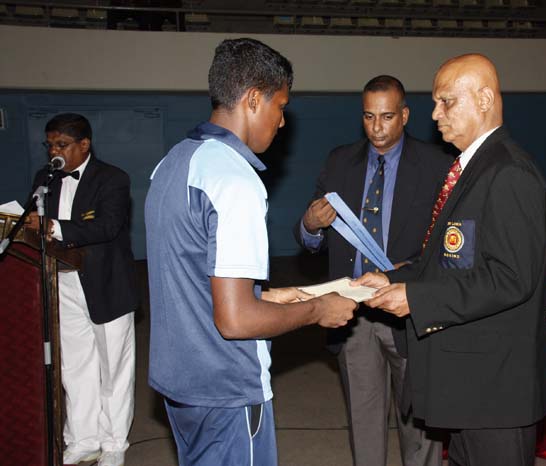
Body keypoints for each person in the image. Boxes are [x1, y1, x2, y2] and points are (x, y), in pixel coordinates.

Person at [144, 38, 357, 466]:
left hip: (181, 383)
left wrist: (271, 296)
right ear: (254, 99)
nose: (282, 121)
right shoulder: (234, 180)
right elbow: (236, 320)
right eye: (281, 106)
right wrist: (318, 310)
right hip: (226, 390)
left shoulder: (173, 163)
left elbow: (193, 279)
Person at [355, 54, 546, 466]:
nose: (435, 115)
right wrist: (394, 279)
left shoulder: (509, 173)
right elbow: (452, 261)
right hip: (471, 389)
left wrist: (415, 299)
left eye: (446, 102)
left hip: (497, 393)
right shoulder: (472, 169)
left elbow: (510, 278)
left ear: (484, 100)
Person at [294, 75, 452, 466]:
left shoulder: (437, 166)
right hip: (352, 313)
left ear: (405, 115)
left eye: (386, 117)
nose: (377, 127)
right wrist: (310, 225)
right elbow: (311, 240)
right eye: (368, 117)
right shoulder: (339, 162)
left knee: (420, 424)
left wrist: (408, 271)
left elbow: (450, 249)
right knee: (364, 422)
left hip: (408, 308)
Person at [25, 113, 138, 466]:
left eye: (62, 145)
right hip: (62, 281)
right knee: (75, 367)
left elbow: (107, 226)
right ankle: (83, 439)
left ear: (84, 144)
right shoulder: (45, 178)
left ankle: (114, 444)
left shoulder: (113, 178)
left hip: (106, 283)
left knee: (114, 367)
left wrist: (54, 227)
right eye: (50, 145)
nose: (54, 152)